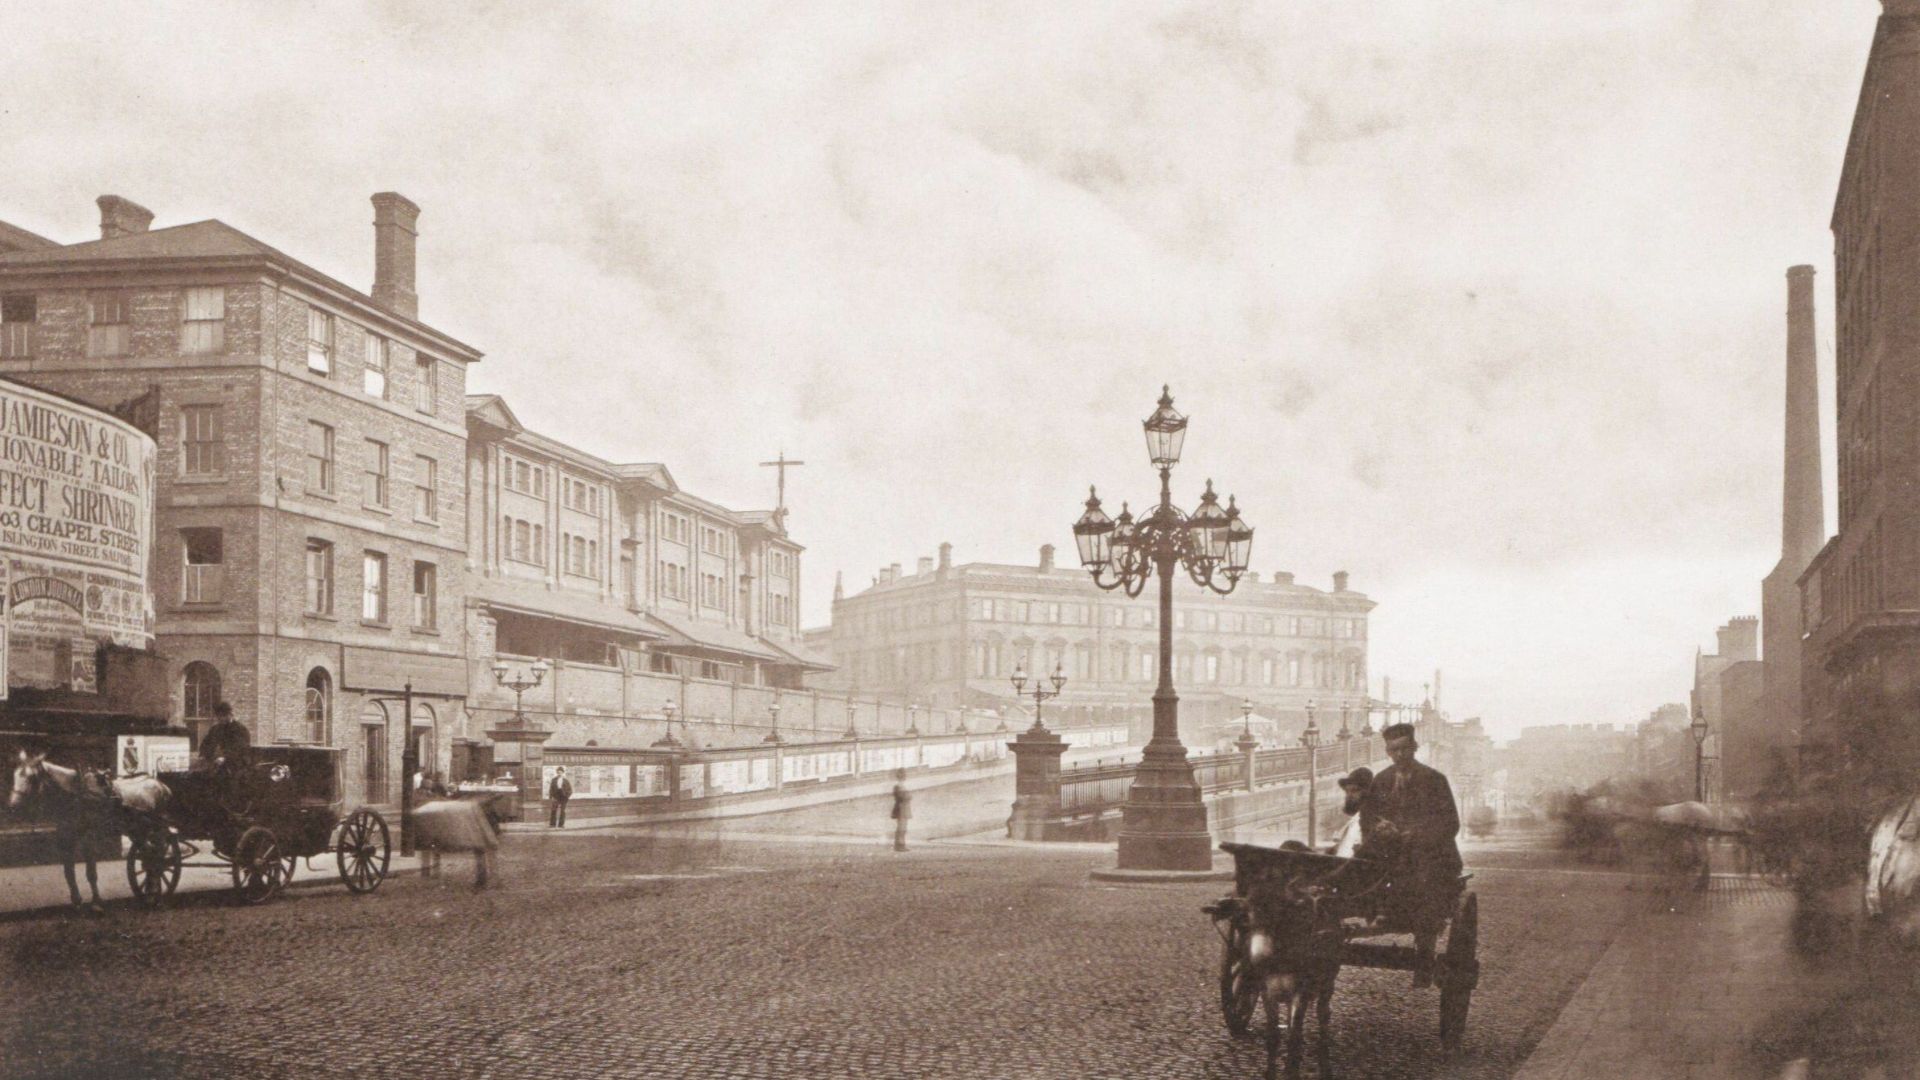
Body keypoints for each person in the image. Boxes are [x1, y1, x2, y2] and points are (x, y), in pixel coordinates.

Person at [1368, 722, 1463, 988]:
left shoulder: (1434, 780)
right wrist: (1380, 827)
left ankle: (1425, 939)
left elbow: (1450, 823)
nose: (1399, 755)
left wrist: (1417, 835)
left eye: (1404, 749)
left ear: (1414, 748)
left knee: (1423, 873)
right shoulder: (1382, 780)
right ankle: (1378, 909)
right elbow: (1369, 817)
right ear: (1387, 751)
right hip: (1390, 852)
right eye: (1393, 750)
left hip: (1431, 854)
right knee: (1362, 865)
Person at [1332, 766, 1376, 858]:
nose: (1349, 796)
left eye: (1354, 791)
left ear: (1368, 793)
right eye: (1347, 791)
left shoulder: (1371, 820)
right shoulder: (1353, 821)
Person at [197, 702, 251, 771]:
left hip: (236, 766)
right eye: (218, 716)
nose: (220, 718)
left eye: (223, 716)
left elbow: (240, 749)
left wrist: (225, 758)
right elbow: (206, 744)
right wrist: (203, 755)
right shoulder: (215, 729)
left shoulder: (240, 730)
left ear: (230, 715)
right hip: (217, 764)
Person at [890, 769, 911, 852]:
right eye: (902, 776)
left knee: (903, 827)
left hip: (903, 808)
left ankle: (900, 844)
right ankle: (900, 845)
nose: (904, 777)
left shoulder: (902, 786)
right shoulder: (898, 786)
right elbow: (903, 797)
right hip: (901, 809)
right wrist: (907, 796)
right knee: (901, 827)